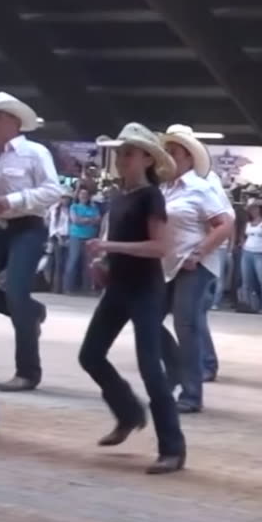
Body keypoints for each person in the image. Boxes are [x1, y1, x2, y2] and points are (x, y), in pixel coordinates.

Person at [80, 124, 186, 474]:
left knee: (150, 368)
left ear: (146, 158)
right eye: (120, 152)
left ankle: (172, 448)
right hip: (119, 286)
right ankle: (128, 412)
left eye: (129, 153)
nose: (122, 159)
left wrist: (110, 247)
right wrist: (103, 262)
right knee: (90, 355)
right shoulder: (120, 196)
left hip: (145, 289)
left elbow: (161, 247)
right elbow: (119, 240)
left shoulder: (151, 196)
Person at [0, 92, 62, 393]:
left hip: (28, 228)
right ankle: (32, 312)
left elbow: (53, 191)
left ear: (14, 122)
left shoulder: (35, 152)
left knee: (15, 292)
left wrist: (14, 200)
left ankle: (27, 372)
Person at [158, 126, 235, 413]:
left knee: (186, 324)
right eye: (165, 152)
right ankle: (178, 369)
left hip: (194, 263)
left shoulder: (202, 187)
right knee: (149, 319)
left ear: (189, 158)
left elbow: (225, 224)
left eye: (174, 153)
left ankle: (192, 394)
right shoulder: (162, 188)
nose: (168, 158)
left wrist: (200, 251)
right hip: (166, 263)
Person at [64, 187, 101, 294]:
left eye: (85, 194)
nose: (83, 196)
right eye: (81, 194)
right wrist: (90, 220)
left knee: (88, 263)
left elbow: (98, 220)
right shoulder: (74, 207)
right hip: (76, 236)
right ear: (78, 196)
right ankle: (68, 287)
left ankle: (87, 288)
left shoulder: (94, 207)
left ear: (89, 196)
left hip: (90, 237)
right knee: (73, 260)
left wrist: (83, 220)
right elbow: (75, 220)